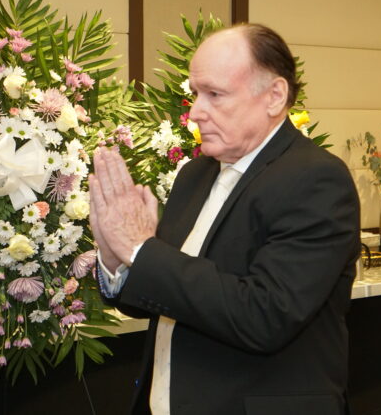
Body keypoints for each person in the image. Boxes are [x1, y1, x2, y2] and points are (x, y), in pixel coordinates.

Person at [89, 23, 360, 415]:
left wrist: (141, 249)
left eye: (215, 95)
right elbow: (163, 296)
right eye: (195, 94)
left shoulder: (316, 179)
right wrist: (118, 260)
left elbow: (265, 316)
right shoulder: (194, 176)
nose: (196, 112)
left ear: (274, 96)